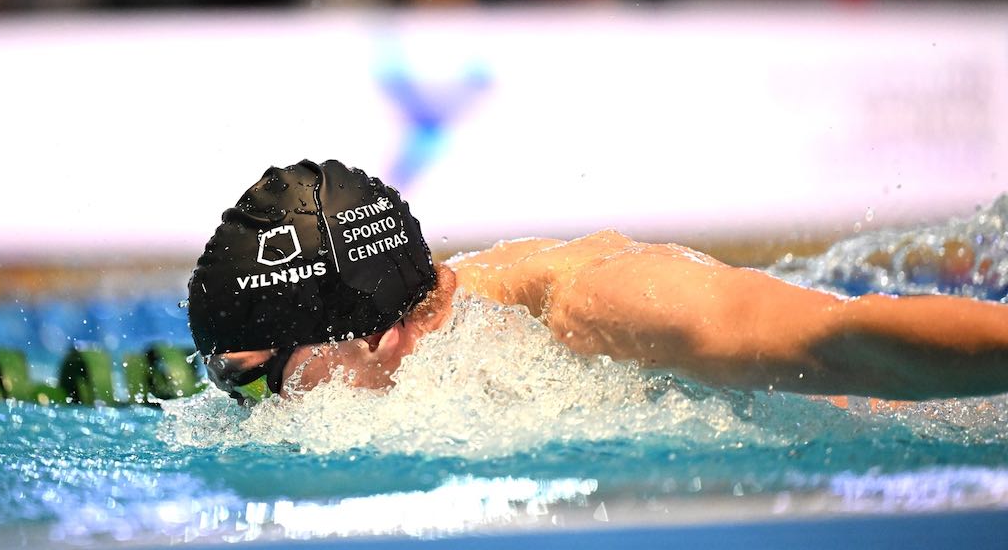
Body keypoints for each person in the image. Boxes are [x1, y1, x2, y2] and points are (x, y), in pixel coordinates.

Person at [187, 160, 1008, 406]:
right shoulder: (434, 349)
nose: (264, 408)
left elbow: (841, 341)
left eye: (260, 381)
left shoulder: (594, 306)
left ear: (369, 329)